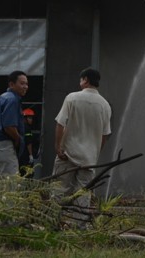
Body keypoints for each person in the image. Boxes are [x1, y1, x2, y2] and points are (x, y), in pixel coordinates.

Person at [52, 67, 112, 212]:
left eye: (81, 79)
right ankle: (80, 226)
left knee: (59, 190)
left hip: (67, 155)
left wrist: (58, 147)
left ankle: (53, 221)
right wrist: (95, 153)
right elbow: (105, 135)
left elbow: (60, 124)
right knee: (83, 194)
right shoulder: (105, 105)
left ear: (85, 80)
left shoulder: (72, 98)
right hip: (88, 159)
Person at [0, 71, 28, 177]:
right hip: (3, 145)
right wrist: (17, 139)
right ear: (11, 84)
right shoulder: (13, 100)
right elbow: (8, 126)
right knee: (10, 186)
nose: (25, 87)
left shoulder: (2, 97)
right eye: (22, 83)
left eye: (26, 84)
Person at [19, 108, 40, 176]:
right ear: (25, 118)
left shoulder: (20, 127)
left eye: (31, 118)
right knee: (29, 174)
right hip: (25, 155)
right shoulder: (26, 128)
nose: (31, 120)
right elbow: (28, 142)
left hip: (20, 154)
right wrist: (30, 155)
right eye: (30, 118)